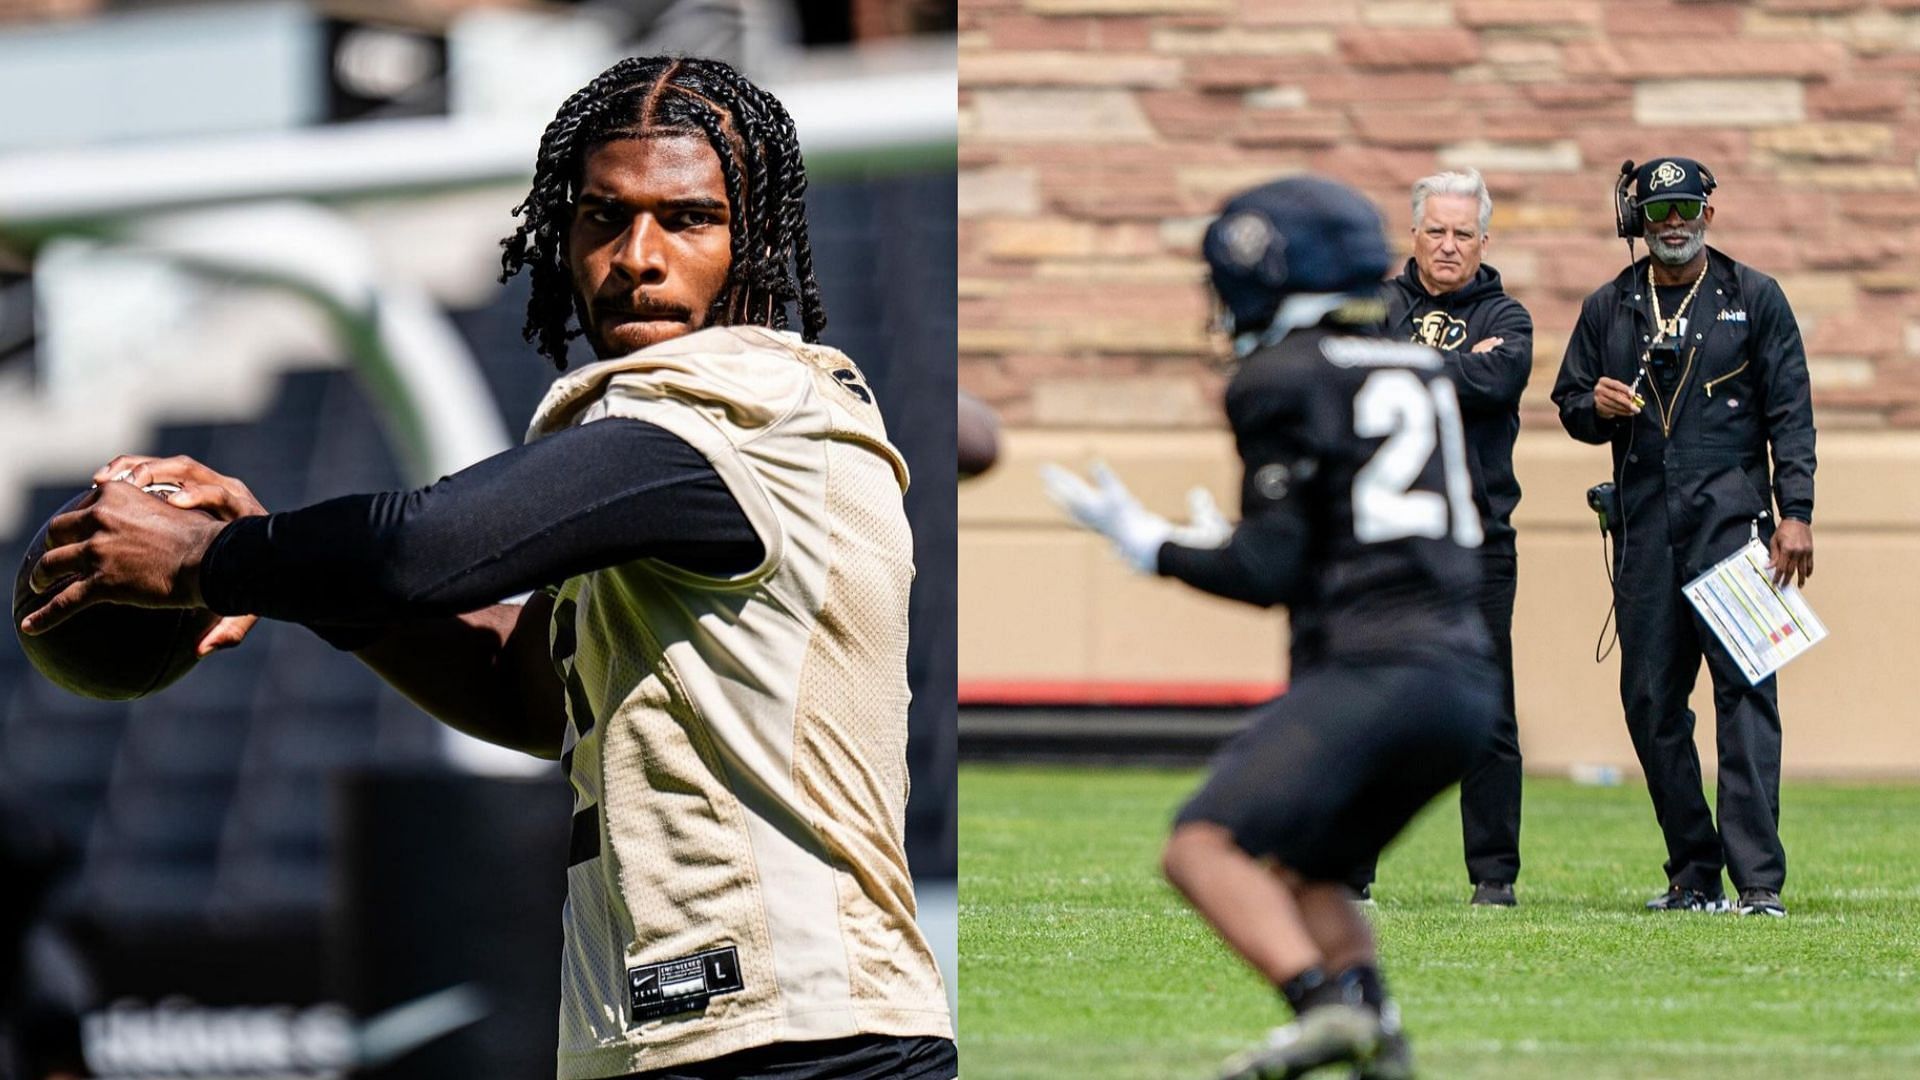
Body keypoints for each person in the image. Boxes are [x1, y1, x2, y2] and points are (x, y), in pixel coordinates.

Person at [17, 55, 956, 1079]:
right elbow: (529, 694)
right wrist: (292, 578)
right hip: (695, 1036)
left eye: (686, 219)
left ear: (758, 241)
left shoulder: (738, 414)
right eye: (605, 216)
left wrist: (214, 559)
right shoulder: (663, 445)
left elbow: (422, 551)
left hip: (801, 1038)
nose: (638, 255)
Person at [1044, 176, 1496, 1080]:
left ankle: (1325, 1009)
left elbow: (1268, 570)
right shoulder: (1418, 365)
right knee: (1308, 866)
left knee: (1202, 848)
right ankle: (1384, 1039)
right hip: (1468, 682)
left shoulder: (1278, 379)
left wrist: (1156, 547)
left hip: (1377, 669)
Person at [1551, 156, 1815, 919]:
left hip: (1734, 525)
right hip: (1644, 529)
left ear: (1708, 212)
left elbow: (1791, 415)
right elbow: (1569, 403)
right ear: (1639, 219)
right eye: (1660, 211)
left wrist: (1795, 512)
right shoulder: (1611, 305)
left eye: (1686, 208)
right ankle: (1693, 871)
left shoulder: (1754, 296)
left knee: (1747, 698)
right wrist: (1594, 405)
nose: (1674, 224)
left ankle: (1758, 882)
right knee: (1649, 700)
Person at [1353, 168, 1532, 908]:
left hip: (1478, 544)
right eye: (1437, 231)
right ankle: (1350, 870)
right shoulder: (1375, 306)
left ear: (1483, 239)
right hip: (1387, 543)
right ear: (1415, 234)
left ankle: (1494, 876)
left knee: (1488, 713)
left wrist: (1405, 366)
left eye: (1463, 233)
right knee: (1364, 706)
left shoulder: (1510, 317)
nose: (1449, 245)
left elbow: (1499, 380)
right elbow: (1356, 381)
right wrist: (1458, 365)